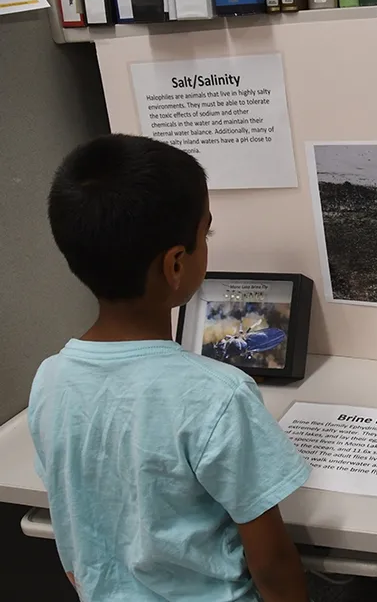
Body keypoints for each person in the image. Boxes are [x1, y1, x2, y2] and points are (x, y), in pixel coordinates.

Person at [28, 134, 311, 602]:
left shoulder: (49, 378)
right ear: (176, 264)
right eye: (206, 234)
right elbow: (272, 563)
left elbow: (73, 518)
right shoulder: (220, 395)